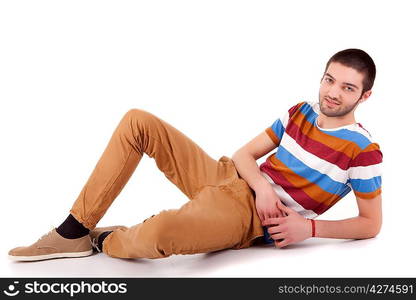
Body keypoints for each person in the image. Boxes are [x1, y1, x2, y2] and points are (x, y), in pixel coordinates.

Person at [8, 48, 382, 262]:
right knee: (138, 121)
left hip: (246, 216)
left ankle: (102, 240)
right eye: (329, 79)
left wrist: (310, 228)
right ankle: (71, 231)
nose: (332, 93)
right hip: (231, 179)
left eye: (347, 88)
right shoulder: (301, 111)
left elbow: (371, 224)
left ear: (363, 96)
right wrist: (263, 187)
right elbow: (242, 154)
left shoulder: (364, 150)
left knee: (164, 231)